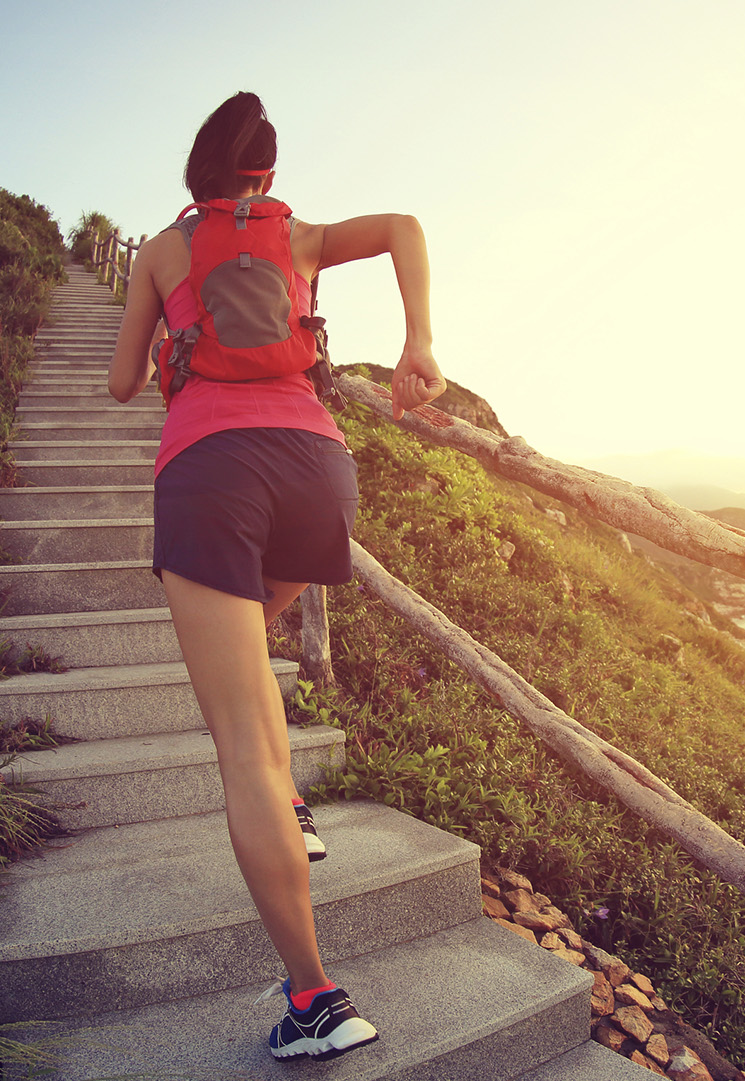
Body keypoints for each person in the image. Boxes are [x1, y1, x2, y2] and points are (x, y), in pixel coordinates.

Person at [106, 91, 444, 1061]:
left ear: (198, 170)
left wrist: (164, 332)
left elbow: (124, 383)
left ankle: (315, 998)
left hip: (210, 473)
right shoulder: (299, 234)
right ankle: (293, 805)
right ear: (268, 174)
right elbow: (406, 226)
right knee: (251, 647)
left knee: (247, 748)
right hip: (316, 470)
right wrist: (419, 343)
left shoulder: (160, 252)